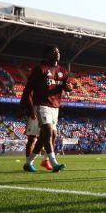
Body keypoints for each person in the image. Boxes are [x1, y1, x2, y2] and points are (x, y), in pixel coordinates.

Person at [21, 45, 72, 173]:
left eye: (58, 51)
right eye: (54, 51)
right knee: (46, 131)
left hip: (55, 107)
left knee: (49, 135)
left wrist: (69, 88)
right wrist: (28, 107)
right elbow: (28, 89)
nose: (57, 53)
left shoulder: (63, 71)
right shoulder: (40, 69)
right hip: (41, 105)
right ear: (47, 54)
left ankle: (29, 162)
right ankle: (54, 162)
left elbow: (66, 87)